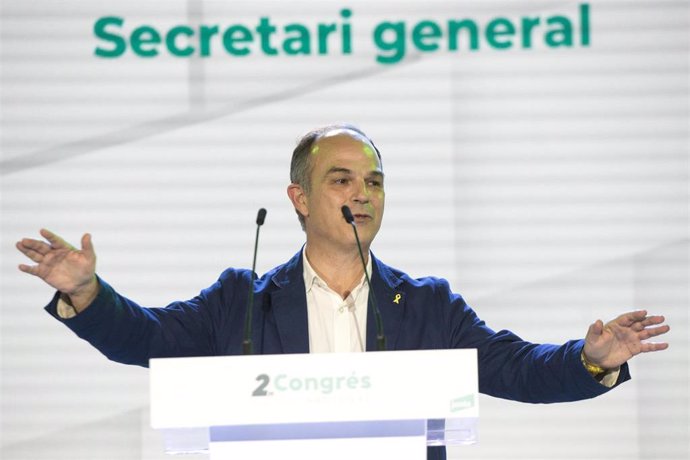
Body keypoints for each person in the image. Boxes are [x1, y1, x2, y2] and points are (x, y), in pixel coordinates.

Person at [16, 124, 670, 460]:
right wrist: (89, 292)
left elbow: (517, 368)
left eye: (375, 181)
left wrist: (592, 359)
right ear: (298, 198)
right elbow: (147, 339)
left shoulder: (426, 305)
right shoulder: (242, 300)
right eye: (342, 180)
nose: (363, 193)